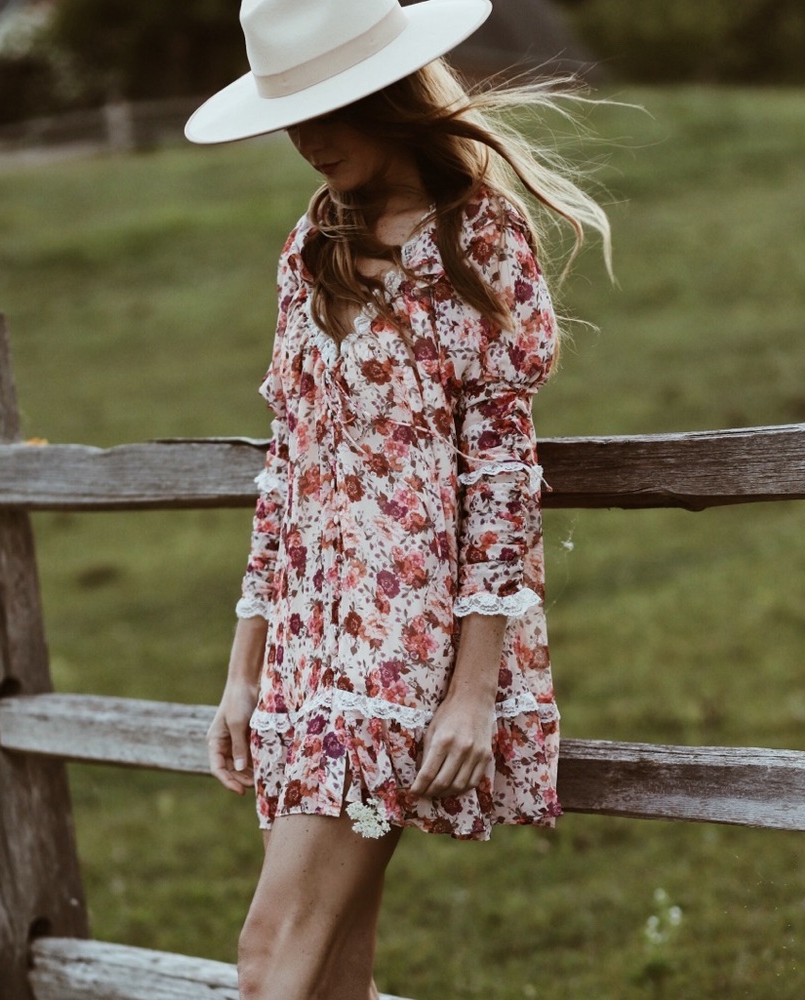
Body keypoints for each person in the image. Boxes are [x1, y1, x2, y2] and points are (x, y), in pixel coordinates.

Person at [185, 1, 611, 996]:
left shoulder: (481, 239)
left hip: (401, 652)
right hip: (305, 647)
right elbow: (288, 471)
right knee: (328, 972)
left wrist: (472, 691)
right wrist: (244, 669)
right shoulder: (312, 246)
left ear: (387, 93)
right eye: (289, 115)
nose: (307, 139)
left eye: (328, 107)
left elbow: (500, 482)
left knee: (270, 957)